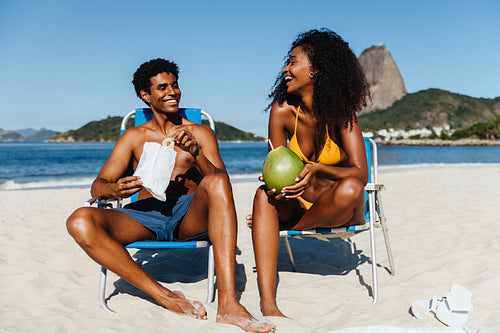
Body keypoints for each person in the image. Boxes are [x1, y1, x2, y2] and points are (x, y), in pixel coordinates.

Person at [66, 58, 274, 332]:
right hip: (144, 216)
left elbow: (220, 182)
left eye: (174, 85)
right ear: (146, 95)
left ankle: (228, 304)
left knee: (219, 183)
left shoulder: (200, 132)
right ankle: (164, 295)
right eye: (162, 87)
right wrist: (115, 189)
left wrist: (197, 155)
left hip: (189, 215)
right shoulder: (133, 137)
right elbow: (98, 186)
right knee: (78, 221)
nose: (172, 92)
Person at [248, 29, 371, 317]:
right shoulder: (281, 112)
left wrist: (317, 170)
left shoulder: (341, 114)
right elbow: (276, 166)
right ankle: (268, 303)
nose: (285, 69)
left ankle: (280, 230)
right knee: (262, 195)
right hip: (300, 202)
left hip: (339, 206)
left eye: (292, 62)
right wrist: (271, 183)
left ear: (315, 70)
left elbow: (360, 173)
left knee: (352, 188)